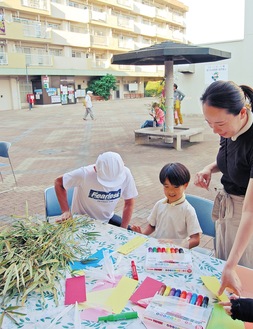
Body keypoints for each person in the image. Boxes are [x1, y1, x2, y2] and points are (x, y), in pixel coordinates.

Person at [194, 80, 253, 296]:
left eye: (219, 124)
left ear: (242, 113)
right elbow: (230, 160)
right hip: (227, 205)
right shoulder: (228, 131)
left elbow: (250, 210)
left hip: (245, 214)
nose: (215, 131)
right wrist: (209, 168)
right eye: (209, 124)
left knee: (240, 269)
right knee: (222, 261)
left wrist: (232, 264)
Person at [54, 151, 138, 229]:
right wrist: (65, 211)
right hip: (82, 220)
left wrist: (123, 228)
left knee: (131, 233)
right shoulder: (85, 174)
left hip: (107, 218)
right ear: (95, 169)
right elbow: (58, 182)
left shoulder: (126, 173)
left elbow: (129, 203)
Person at [131, 162, 202, 249]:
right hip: (158, 248)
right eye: (166, 187)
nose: (171, 191)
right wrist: (143, 234)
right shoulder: (159, 204)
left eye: (175, 187)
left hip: (176, 251)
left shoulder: (188, 210)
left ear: (185, 185)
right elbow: (152, 225)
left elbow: (196, 239)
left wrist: (177, 244)